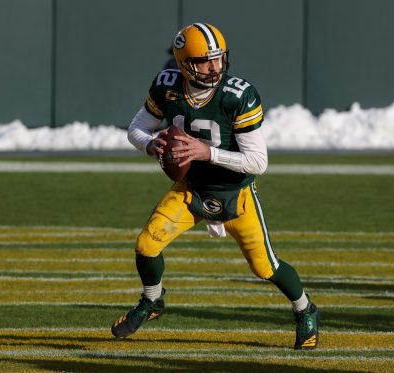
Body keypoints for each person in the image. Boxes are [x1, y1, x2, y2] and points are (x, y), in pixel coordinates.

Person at [111, 22, 319, 350]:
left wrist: (206, 152)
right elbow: (137, 127)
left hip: (235, 193)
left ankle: (305, 309)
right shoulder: (167, 86)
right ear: (184, 64)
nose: (215, 67)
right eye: (205, 61)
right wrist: (152, 145)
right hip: (191, 187)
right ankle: (153, 301)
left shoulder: (238, 95)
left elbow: (258, 162)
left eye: (219, 58)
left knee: (266, 267)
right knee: (146, 245)